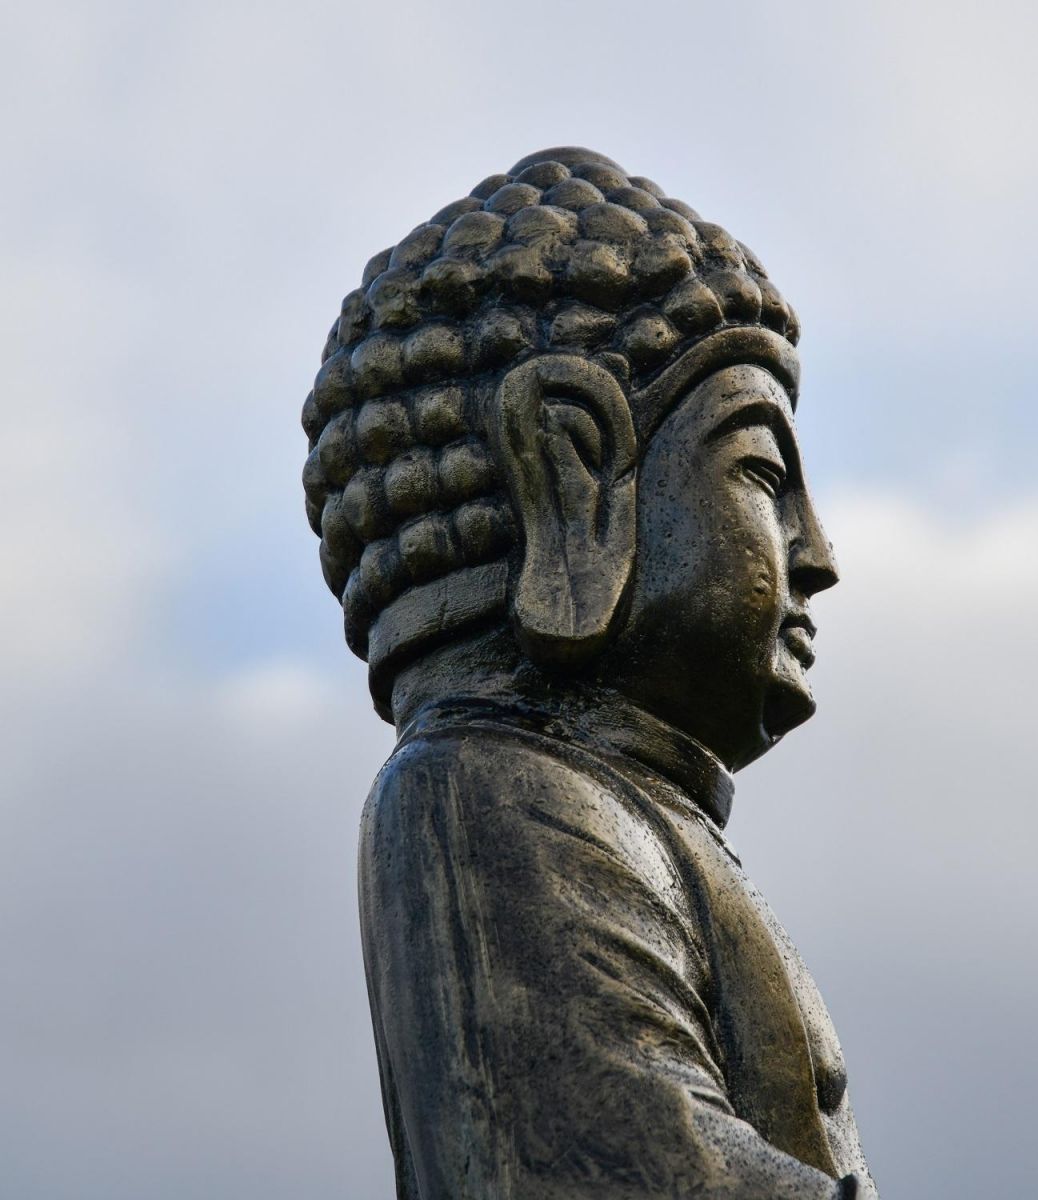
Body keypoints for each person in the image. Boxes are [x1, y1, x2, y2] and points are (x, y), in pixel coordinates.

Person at [302, 148, 876, 1198]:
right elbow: (636, 1165)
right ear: (574, 471)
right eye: (761, 474)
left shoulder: (639, 818)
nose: (818, 553)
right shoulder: (488, 791)